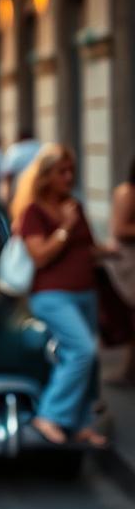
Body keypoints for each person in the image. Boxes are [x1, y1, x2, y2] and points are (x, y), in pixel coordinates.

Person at [14, 143, 108, 447]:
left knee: (89, 361)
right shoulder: (33, 212)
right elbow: (40, 255)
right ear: (46, 176)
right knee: (82, 351)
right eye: (61, 172)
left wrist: (111, 252)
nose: (68, 178)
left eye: (71, 171)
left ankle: (80, 423)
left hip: (85, 293)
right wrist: (65, 228)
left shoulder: (75, 205)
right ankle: (50, 415)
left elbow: (89, 248)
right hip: (52, 296)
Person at [108, 157, 135, 382]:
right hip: (128, 260)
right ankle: (127, 370)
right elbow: (120, 229)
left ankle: (128, 369)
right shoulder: (126, 192)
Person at [1, 128, 41, 202]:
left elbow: (8, 176)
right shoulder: (40, 147)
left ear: (20, 138)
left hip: (19, 195)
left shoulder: (14, 150)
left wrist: (6, 197)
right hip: (39, 194)